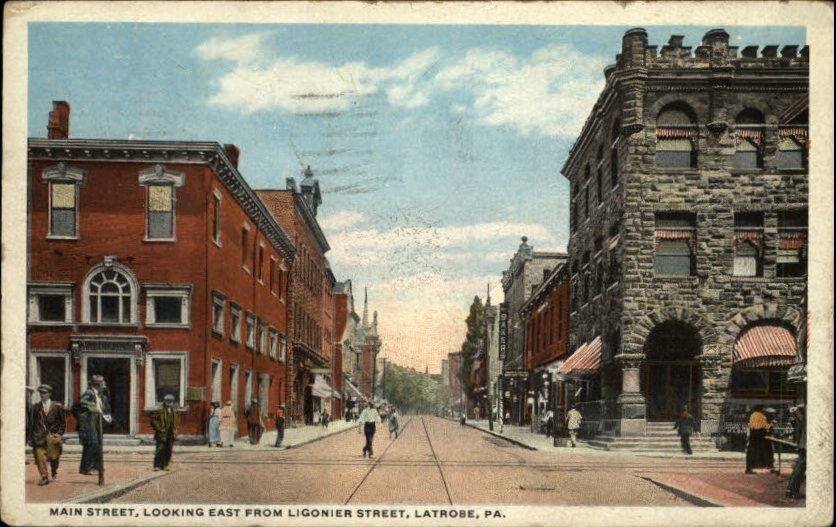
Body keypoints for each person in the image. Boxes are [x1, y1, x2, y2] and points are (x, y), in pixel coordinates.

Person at [27, 384, 66, 485]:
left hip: (53, 437)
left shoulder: (57, 407)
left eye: (44, 393)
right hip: (38, 437)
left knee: (54, 458)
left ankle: (54, 470)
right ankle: (44, 477)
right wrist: (30, 438)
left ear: (49, 394)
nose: (42, 395)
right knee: (40, 457)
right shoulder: (35, 407)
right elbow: (31, 423)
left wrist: (59, 434)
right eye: (40, 393)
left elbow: (62, 423)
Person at [77, 375, 111, 475]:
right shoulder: (89, 393)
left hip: (97, 424)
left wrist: (106, 415)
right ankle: (87, 468)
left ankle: (96, 466)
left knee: (97, 445)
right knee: (91, 445)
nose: (104, 385)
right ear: (97, 384)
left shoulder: (100, 395)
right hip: (88, 425)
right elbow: (83, 402)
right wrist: (96, 409)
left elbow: (104, 408)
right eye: (102, 383)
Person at [151, 394, 178, 471]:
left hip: (170, 433)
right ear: (165, 401)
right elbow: (153, 420)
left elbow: (175, 421)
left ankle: (165, 465)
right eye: (168, 401)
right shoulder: (160, 409)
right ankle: (156, 465)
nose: (169, 403)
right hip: (162, 433)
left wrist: (175, 430)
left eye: (171, 401)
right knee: (160, 449)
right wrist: (159, 428)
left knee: (168, 449)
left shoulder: (174, 410)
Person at [785, 403, 806, 499]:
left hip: (803, 444)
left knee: (798, 468)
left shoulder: (800, 419)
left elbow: (798, 431)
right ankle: (792, 491)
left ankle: (791, 490)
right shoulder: (804, 418)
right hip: (806, 445)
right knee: (799, 469)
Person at [745, 405, 774, 474]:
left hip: (753, 433)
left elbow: (751, 426)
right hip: (761, 434)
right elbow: (765, 427)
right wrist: (771, 425)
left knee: (752, 451)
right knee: (767, 449)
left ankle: (749, 468)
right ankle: (769, 465)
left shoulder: (752, 415)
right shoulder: (762, 416)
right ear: (761, 410)